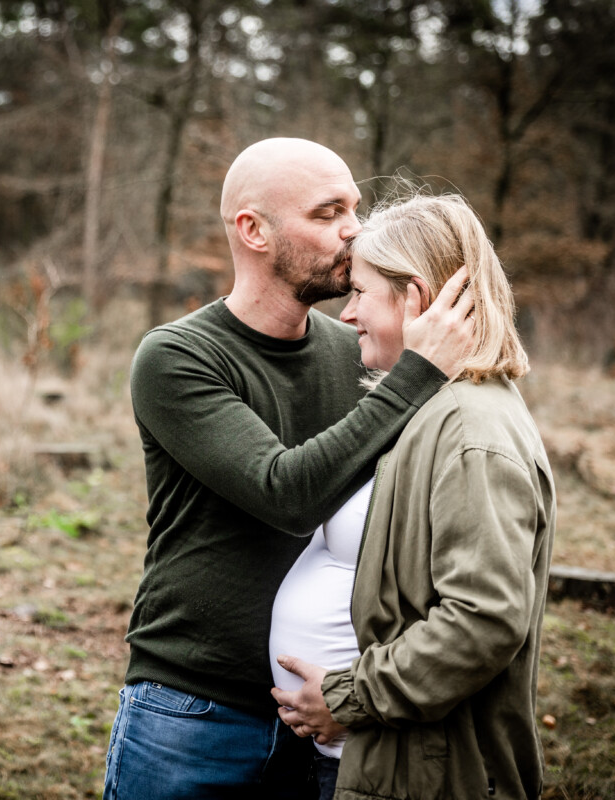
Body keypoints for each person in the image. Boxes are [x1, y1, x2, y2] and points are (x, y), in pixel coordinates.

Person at [101, 138, 476, 799]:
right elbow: (287, 492)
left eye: (355, 209)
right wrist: (420, 370)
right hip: (194, 712)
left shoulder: (359, 355)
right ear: (254, 231)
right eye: (328, 213)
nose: (354, 231)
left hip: (324, 721)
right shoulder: (177, 358)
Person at [271, 193, 556, 800]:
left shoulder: (470, 430)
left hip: (428, 775)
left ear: (417, 297)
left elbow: (482, 620)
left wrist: (349, 697)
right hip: (383, 762)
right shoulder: (434, 408)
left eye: (361, 293)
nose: (346, 316)